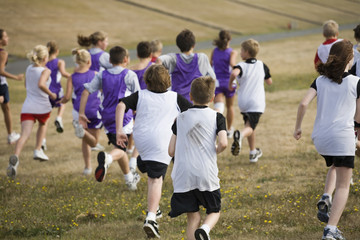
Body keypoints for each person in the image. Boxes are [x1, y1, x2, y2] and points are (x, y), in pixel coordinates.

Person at [116, 64, 192, 238]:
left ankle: (155, 208)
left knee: (152, 169)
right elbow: (193, 112)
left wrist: (120, 129)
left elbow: (121, 105)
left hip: (142, 141)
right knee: (156, 179)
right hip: (161, 141)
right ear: (167, 80)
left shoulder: (140, 95)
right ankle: (151, 218)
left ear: (147, 81)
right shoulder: (175, 97)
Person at [294, 40, 358, 240]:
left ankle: (325, 197)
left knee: (336, 166)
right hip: (342, 137)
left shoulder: (320, 80)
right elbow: (359, 118)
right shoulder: (356, 82)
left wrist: (298, 128)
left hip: (321, 139)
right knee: (343, 185)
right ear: (350, 59)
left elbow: (303, 104)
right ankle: (331, 230)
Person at [168, 76, 227, 240]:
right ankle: (205, 230)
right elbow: (223, 143)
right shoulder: (217, 117)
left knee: (193, 217)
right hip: (205, 174)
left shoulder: (179, 119)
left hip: (183, 175)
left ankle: (199, 232)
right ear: (212, 98)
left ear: (190, 96)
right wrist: (215, 149)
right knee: (214, 210)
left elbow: (171, 151)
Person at [79, 46, 140, 190]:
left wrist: (81, 112)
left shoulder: (102, 75)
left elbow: (86, 91)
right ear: (126, 59)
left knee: (120, 148)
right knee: (120, 149)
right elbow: (139, 97)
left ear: (110, 60)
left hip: (106, 117)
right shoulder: (130, 75)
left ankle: (129, 180)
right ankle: (108, 158)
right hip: (124, 117)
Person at [6, 45, 56, 178]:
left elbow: (26, 85)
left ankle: (15, 158)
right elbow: (41, 84)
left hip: (28, 107)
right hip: (42, 107)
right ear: (45, 58)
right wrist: (51, 94)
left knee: (24, 135)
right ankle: (38, 149)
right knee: (43, 124)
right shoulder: (46, 71)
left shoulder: (29, 68)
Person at [229, 39, 272, 163]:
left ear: (246, 52)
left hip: (244, 102)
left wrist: (230, 83)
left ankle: (253, 152)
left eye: (242, 50)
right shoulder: (261, 65)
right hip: (256, 103)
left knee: (249, 125)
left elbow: (234, 73)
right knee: (250, 127)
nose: (241, 52)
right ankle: (240, 136)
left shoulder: (241, 66)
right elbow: (269, 82)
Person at [61, 49, 102, 175]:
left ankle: (87, 167)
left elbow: (67, 97)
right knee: (94, 142)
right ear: (89, 61)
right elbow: (103, 90)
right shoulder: (95, 74)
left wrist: (60, 101)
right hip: (94, 110)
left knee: (85, 140)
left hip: (79, 111)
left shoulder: (72, 77)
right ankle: (83, 133)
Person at [157, 29, 216, 102]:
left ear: (178, 46)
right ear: (194, 45)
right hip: (196, 102)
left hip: (177, 102)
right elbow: (213, 78)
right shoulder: (201, 58)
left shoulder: (173, 58)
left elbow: (159, 60)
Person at [127, 41, 154, 170]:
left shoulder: (130, 70)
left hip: (134, 105)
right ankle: (133, 160)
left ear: (137, 54)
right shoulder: (153, 68)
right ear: (151, 54)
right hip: (149, 105)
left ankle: (132, 154)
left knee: (138, 131)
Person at [210, 30, 237, 138]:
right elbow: (232, 63)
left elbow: (210, 64)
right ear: (229, 40)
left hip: (217, 82)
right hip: (229, 82)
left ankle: (216, 129)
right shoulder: (232, 52)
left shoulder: (214, 51)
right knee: (230, 106)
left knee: (219, 107)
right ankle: (229, 129)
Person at [0, 29, 24, 144]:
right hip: (1, 85)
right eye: (5, 36)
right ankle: (10, 135)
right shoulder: (3, 53)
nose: (8, 38)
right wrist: (16, 78)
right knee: (6, 109)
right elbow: (0, 71)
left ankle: (11, 135)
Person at [45, 41, 71, 134]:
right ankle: (59, 117)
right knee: (63, 102)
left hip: (46, 90)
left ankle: (42, 140)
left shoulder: (44, 62)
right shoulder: (59, 62)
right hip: (56, 89)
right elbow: (63, 73)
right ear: (57, 51)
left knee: (46, 114)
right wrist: (73, 77)